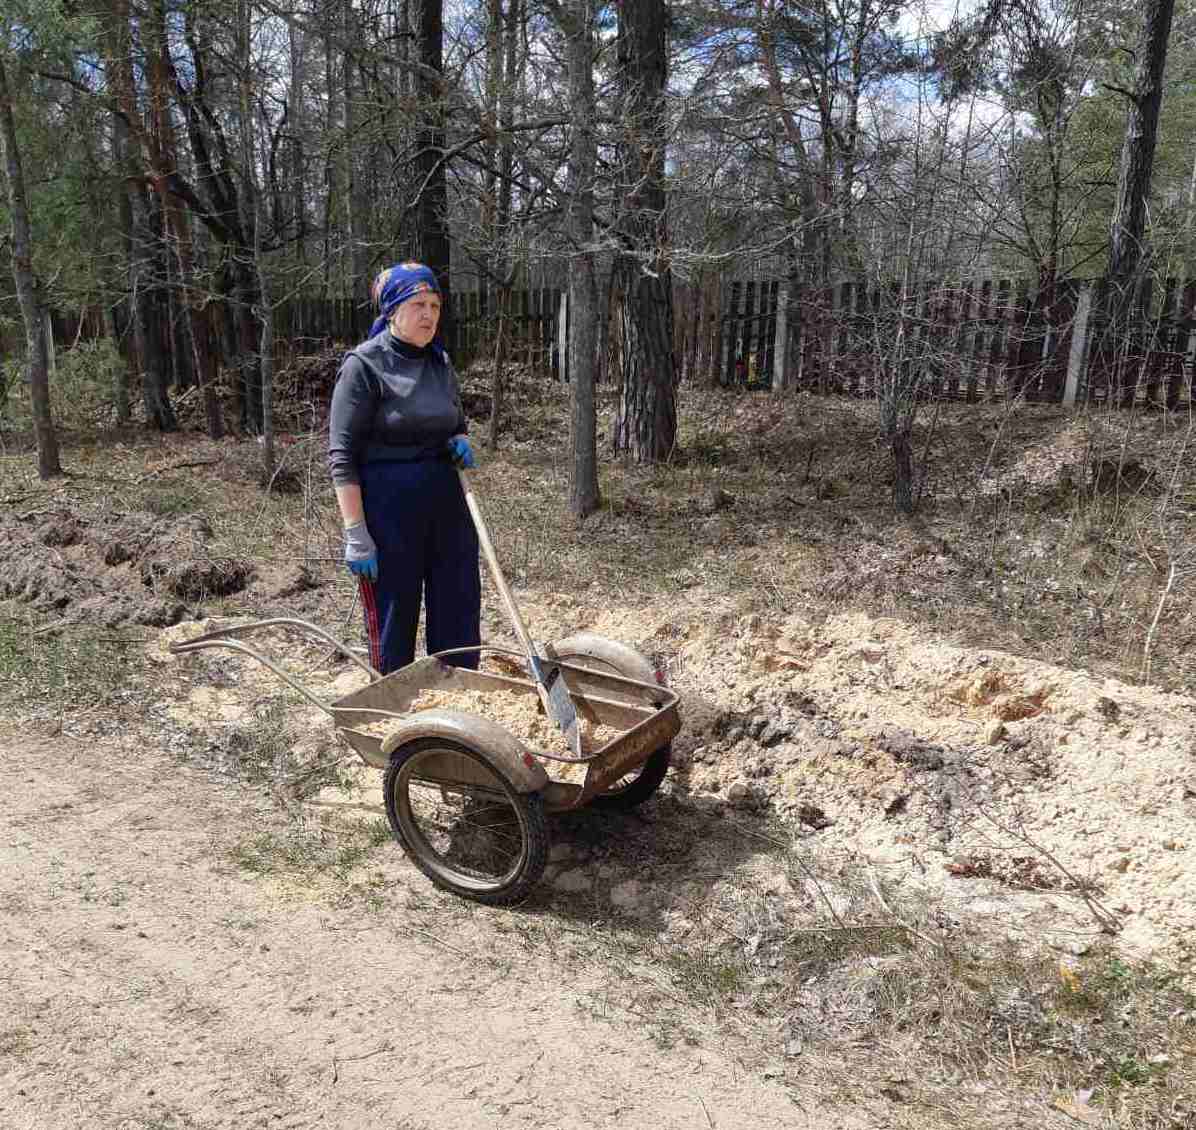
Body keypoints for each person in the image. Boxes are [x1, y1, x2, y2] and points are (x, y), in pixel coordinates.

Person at [327, 261, 481, 675]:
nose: (429, 314)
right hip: (389, 515)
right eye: (418, 304)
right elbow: (341, 455)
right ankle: (392, 716)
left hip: (448, 508)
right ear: (393, 310)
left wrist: (461, 439)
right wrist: (355, 533)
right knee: (395, 625)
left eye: (435, 304)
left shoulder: (439, 361)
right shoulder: (363, 366)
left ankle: (456, 709)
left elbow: (454, 418)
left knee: (459, 613)